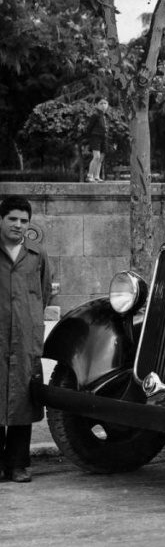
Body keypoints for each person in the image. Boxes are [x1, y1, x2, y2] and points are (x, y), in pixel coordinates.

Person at [0, 196, 52, 483]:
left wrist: (28, 320)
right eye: (12, 219)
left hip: (24, 338)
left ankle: (18, 464)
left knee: (23, 399)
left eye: (23, 221)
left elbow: (43, 292)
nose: (18, 225)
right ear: (1, 219)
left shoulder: (36, 254)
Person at [84, 98, 109, 182]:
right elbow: (89, 128)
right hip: (95, 137)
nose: (103, 105)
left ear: (107, 105)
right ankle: (89, 176)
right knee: (96, 157)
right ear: (97, 105)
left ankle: (96, 176)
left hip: (104, 138)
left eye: (105, 103)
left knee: (101, 158)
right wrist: (89, 139)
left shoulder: (105, 116)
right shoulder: (95, 115)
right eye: (101, 103)